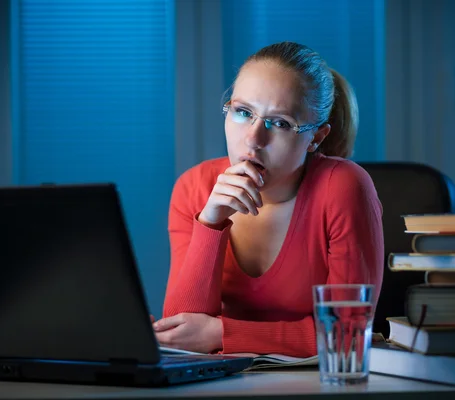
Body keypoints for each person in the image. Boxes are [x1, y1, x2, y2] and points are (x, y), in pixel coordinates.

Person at [152, 41, 384, 357]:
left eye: (280, 123)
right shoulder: (193, 187)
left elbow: (347, 332)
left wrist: (223, 333)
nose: (253, 139)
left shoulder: (344, 187)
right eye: (243, 112)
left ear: (316, 137)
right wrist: (211, 221)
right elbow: (182, 332)